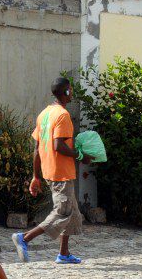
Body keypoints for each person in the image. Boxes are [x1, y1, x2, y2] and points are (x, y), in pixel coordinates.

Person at [11, 77, 92, 264]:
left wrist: (35, 176)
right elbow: (58, 146)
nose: (72, 93)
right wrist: (81, 156)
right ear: (65, 92)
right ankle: (24, 238)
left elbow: (37, 148)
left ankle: (64, 253)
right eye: (70, 90)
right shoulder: (63, 115)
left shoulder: (44, 114)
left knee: (72, 213)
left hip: (50, 170)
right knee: (62, 212)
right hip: (60, 172)